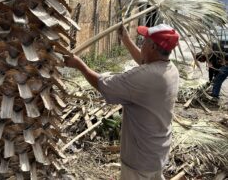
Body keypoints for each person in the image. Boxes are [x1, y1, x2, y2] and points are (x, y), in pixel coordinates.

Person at [65, 23, 180, 180]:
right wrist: (125, 39)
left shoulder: (144, 78)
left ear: (152, 46)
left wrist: (79, 65)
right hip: (157, 152)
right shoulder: (169, 69)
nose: (142, 45)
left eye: (144, 42)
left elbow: (103, 85)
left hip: (140, 160)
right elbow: (145, 62)